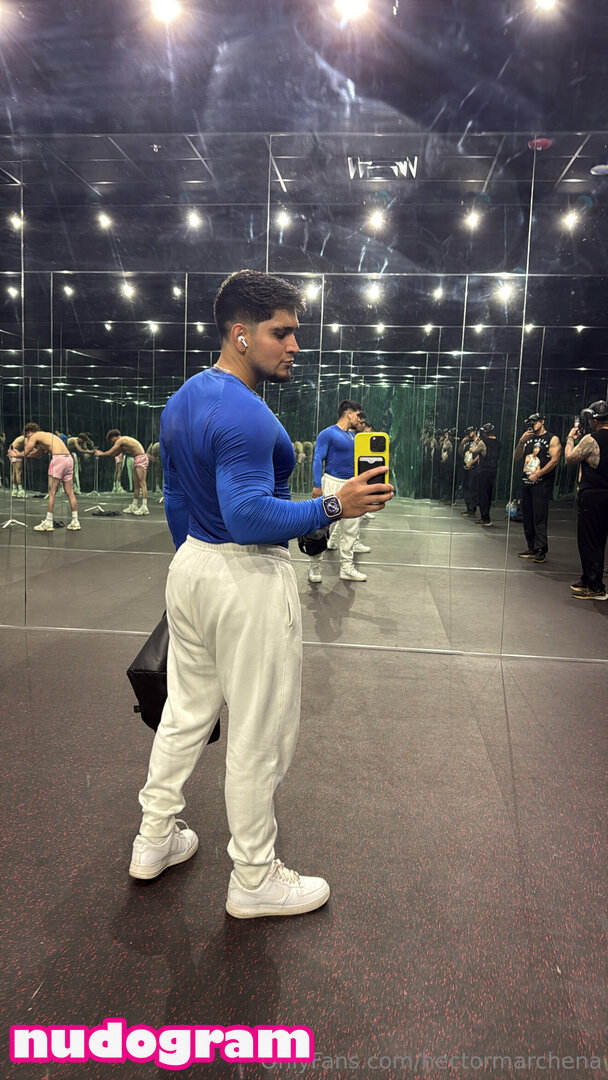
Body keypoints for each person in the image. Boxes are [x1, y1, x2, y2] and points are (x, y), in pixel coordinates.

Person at [128, 270, 393, 918]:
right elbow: (247, 516)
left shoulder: (183, 400)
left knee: (185, 712)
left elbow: (177, 500)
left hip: (192, 565)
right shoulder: (246, 412)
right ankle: (254, 877)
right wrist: (334, 505)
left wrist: (196, 569)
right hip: (244, 578)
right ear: (241, 334)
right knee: (259, 731)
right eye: (283, 332)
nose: (295, 345)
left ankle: (153, 838)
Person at [307, 400, 371, 583]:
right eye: (357, 414)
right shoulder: (328, 433)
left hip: (351, 484)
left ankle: (347, 567)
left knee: (351, 528)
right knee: (323, 527)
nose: (359, 419)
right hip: (332, 483)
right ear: (348, 413)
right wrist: (317, 485)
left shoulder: (352, 436)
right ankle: (314, 567)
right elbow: (317, 458)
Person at [564, 400, 608, 601]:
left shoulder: (591, 439)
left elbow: (570, 459)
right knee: (599, 539)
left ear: (594, 420)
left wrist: (570, 439)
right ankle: (588, 577)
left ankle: (595, 586)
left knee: (590, 540)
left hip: (593, 495)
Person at [513, 413, 562, 563]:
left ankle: (541, 549)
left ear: (542, 421)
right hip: (526, 482)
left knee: (539, 516)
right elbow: (517, 457)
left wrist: (538, 473)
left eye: (535, 422)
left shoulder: (552, 438)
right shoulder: (527, 439)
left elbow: (555, 460)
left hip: (542, 483)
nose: (533, 424)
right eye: (531, 422)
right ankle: (531, 547)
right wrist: (521, 442)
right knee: (527, 516)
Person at [23, 423, 81, 531]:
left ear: (29, 432)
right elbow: (37, 453)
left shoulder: (35, 436)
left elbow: (26, 451)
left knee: (52, 492)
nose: (28, 439)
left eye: (27, 437)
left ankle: (48, 522)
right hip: (68, 459)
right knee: (70, 492)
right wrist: (24, 455)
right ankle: (75, 521)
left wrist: (15, 454)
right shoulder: (47, 436)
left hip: (58, 459)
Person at [96, 432, 149, 514]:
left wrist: (101, 454)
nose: (113, 443)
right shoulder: (123, 444)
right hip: (137, 459)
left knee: (142, 483)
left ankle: (144, 506)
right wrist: (102, 454)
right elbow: (113, 454)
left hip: (141, 458)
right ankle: (134, 505)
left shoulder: (121, 440)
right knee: (136, 484)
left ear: (114, 437)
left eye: (112, 441)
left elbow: (111, 451)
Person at [470, 423, 501, 527]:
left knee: (483, 495)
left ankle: (485, 518)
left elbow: (473, 451)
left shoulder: (483, 442)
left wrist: (475, 443)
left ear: (485, 432)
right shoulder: (498, 443)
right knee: (488, 494)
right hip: (494, 470)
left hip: (484, 471)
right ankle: (486, 516)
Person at [458, 426, 478, 517]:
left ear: (474, 431)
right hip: (465, 466)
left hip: (473, 467)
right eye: (468, 432)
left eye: (470, 431)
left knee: (472, 488)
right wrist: (462, 443)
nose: (469, 434)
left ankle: (473, 508)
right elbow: (460, 452)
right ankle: (468, 508)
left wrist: (472, 463)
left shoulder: (478, 441)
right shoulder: (466, 443)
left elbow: (479, 455)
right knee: (465, 488)